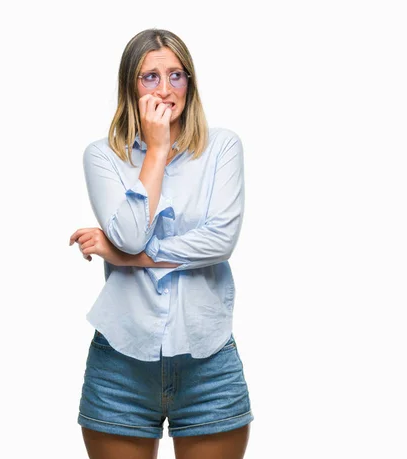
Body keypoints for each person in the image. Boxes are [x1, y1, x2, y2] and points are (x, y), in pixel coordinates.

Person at [68, 28, 253, 459]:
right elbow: (131, 233)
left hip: (208, 361)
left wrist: (126, 259)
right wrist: (156, 149)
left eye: (177, 75)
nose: (166, 90)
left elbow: (220, 241)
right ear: (129, 85)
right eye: (150, 77)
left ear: (191, 84)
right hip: (121, 364)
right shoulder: (103, 156)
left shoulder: (222, 148)